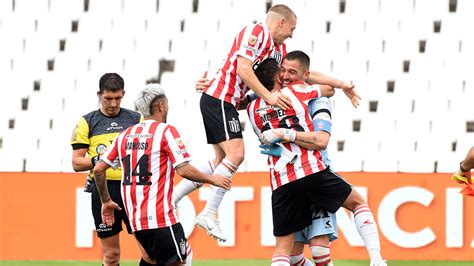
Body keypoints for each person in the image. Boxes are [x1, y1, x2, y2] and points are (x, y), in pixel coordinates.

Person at [93, 84, 232, 265]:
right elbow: (183, 169)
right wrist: (213, 179)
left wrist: (106, 201)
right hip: (161, 220)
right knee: (183, 259)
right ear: (161, 106)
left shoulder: (125, 135)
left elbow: (98, 169)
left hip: (137, 223)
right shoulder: (166, 131)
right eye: (166, 104)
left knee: (152, 260)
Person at [247, 57, 349, 266]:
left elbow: (238, 99)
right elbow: (328, 90)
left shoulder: (251, 107)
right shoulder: (293, 93)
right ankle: (376, 257)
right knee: (321, 248)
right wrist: (343, 84)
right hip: (311, 170)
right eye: (282, 72)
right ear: (277, 76)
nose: (286, 76)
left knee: (284, 252)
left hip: (280, 179)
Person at [71, 73, 142, 266]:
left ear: (123, 94)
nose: (113, 104)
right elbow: (77, 163)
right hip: (103, 190)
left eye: (117, 98)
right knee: (111, 255)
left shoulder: (136, 119)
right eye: (108, 98)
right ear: (99, 94)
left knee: (149, 251)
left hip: (133, 188)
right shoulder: (87, 121)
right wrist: (102, 159)